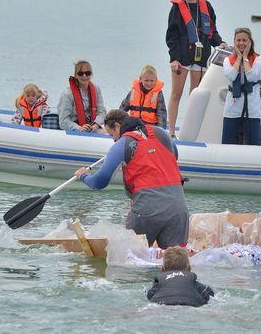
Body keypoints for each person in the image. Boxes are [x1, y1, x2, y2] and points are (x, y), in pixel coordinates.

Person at [74, 110, 189, 248]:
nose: (114, 140)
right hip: (178, 208)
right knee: (176, 262)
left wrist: (83, 175)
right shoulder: (161, 133)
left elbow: (100, 182)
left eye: (112, 135)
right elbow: (174, 155)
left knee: (133, 264)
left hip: (146, 211)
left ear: (117, 127)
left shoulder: (121, 144)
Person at [166, 0, 228, 137]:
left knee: (195, 96)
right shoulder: (177, 8)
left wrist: (219, 42)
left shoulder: (206, 6)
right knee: (176, 94)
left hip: (201, 58)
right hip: (182, 57)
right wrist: (174, 59)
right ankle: (171, 131)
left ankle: (191, 132)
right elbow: (171, 36)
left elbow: (212, 31)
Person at [222, 27, 261, 145]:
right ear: (234, 42)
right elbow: (231, 75)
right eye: (238, 40)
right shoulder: (227, 60)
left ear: (250, 42)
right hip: (232, 110)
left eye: (244, 40)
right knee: (228, 144)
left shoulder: (258, 59)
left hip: (252, 110)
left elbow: (252, 77)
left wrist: (245, 58)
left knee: (254, 145)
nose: (241, 43)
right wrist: (239, 58)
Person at [146, 246, 215, 307]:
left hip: (161, 305)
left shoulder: (157, 285)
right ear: (189, 269)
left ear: (162, 270)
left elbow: (149, 295)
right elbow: (210, 293)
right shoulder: (195, 285)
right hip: (192, 305)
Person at [57, 60, 107, 133]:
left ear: (91, 74)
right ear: (76, 75)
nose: (84, 76)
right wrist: (79, 128)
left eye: (87, 73)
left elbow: (102, 112)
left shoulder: (96, 90)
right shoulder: (67, 94)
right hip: (74, 128)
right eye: (81, 73)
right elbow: (63, 121)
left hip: (92, 127)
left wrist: (96, 124)